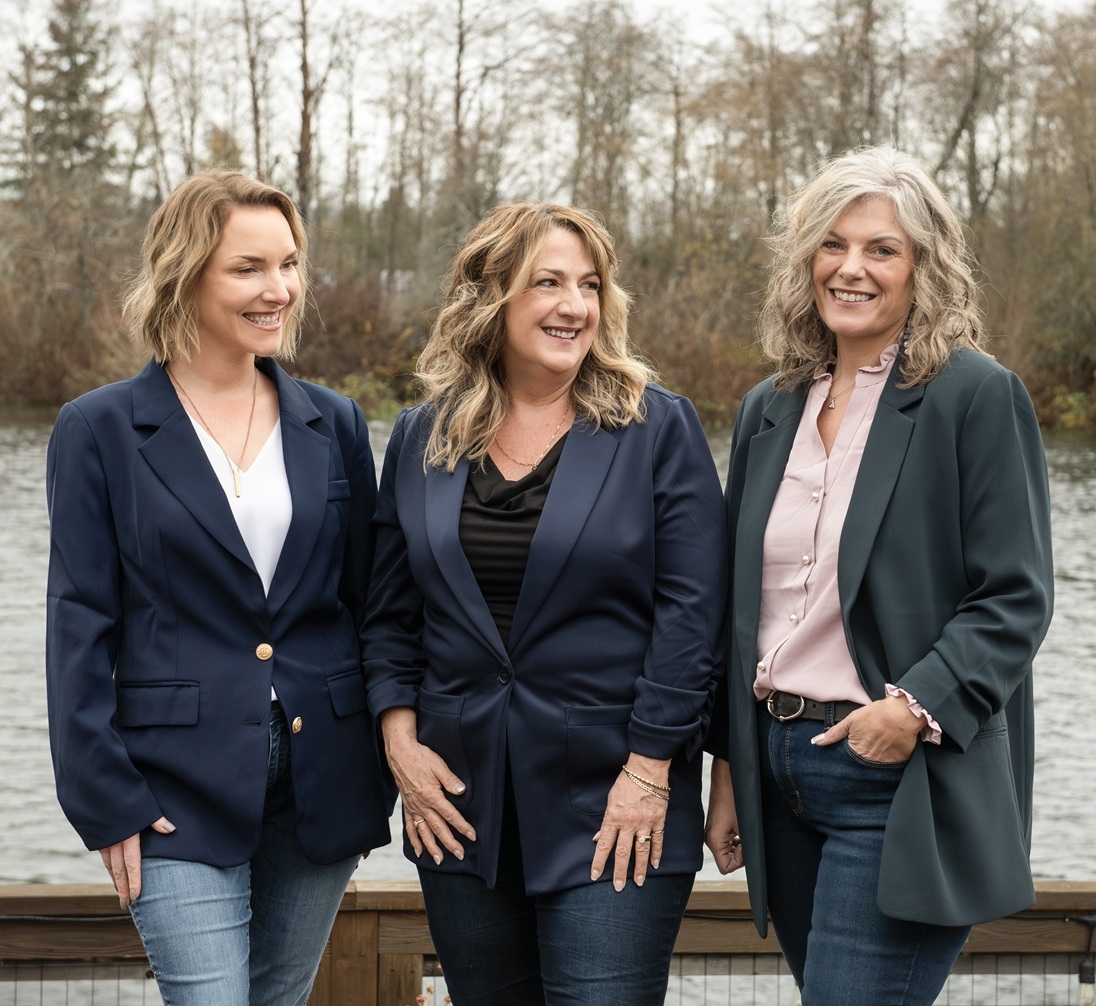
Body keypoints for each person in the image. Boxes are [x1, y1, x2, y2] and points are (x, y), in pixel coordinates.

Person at [703, 145, 1054, 1005]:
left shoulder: (973, 395)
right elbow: (738, 611)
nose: (850, 268)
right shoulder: (768, 407)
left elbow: (1015, 595)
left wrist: (911, 708)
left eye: (881, 249)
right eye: (833, 244)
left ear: (923, 269)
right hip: (776, 772)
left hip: (898, 777)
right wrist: (730, 769)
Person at [362, 202, 726, 1005]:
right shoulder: (421, 437)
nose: (575, 306)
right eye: (548, 283)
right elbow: (390, 615)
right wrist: (400, 744)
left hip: (616, 801)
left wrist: (649, 772)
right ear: (490, 299)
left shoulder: (655, 428)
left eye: (590, 285)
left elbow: (693, 616)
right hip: (457, 806)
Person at [45, 171, 395, 1005]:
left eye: (289, 264)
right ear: (186, 274)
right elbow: (78, 626)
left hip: (322, 776)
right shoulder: (99, 429)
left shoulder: (335, 422)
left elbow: (371, 604)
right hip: (171, 784)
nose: (280, 290)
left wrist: (381, 760)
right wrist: (105, 798)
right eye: (248, 268)